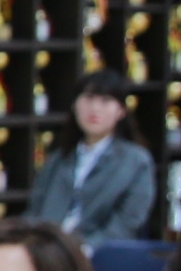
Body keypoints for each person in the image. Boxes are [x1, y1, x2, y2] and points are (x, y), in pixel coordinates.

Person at [26, 70, 157, 242]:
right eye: (88, 98)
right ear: (74, 105)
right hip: (48, 250)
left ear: (121, 111)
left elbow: (127, 223)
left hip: (100, 256)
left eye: (105, 101)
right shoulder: (58, 159)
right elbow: (35, 211)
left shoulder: (136, 162)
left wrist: (85, 249)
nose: (95, 108)